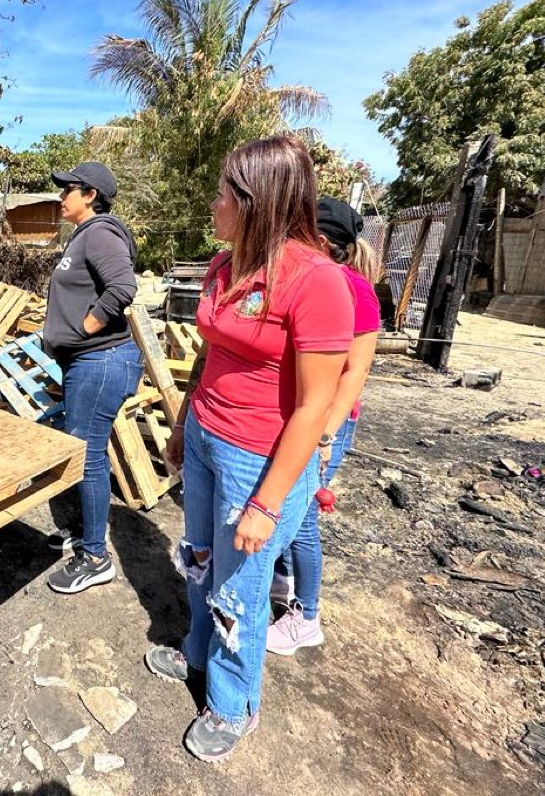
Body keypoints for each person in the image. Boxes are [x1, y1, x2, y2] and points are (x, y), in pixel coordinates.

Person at [143, 136, 353, 763]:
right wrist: (184, 422)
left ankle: (233, 703)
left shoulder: (317, 281)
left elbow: (315, 406)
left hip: (259, 458)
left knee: (242, 583)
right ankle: (198, 648)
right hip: (208, 432)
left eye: (223, 194)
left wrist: (267, 503)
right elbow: (209, 352)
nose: (214, 204)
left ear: (255, 201)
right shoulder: (224, 265)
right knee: (201, 556)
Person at [266, 197, 381, 656]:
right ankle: (283, 579)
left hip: (325, 422)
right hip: (302, 417)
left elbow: (356, 371)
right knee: (291, 513)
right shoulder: (304, 279)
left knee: (302, 515)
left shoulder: (353, 288)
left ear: (321, 240)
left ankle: (306, 616)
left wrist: (326, 435)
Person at [42, 161, 143, 595]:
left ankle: (95, 557)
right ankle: (88, 536)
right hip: (87, 363)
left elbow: (122, 288)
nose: (61, 196)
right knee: (87, 453)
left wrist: (86, 326)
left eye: (69, 189)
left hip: (100, 362)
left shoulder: (100, 232)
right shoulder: (85, 235)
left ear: (90, 195)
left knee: (89, 457)